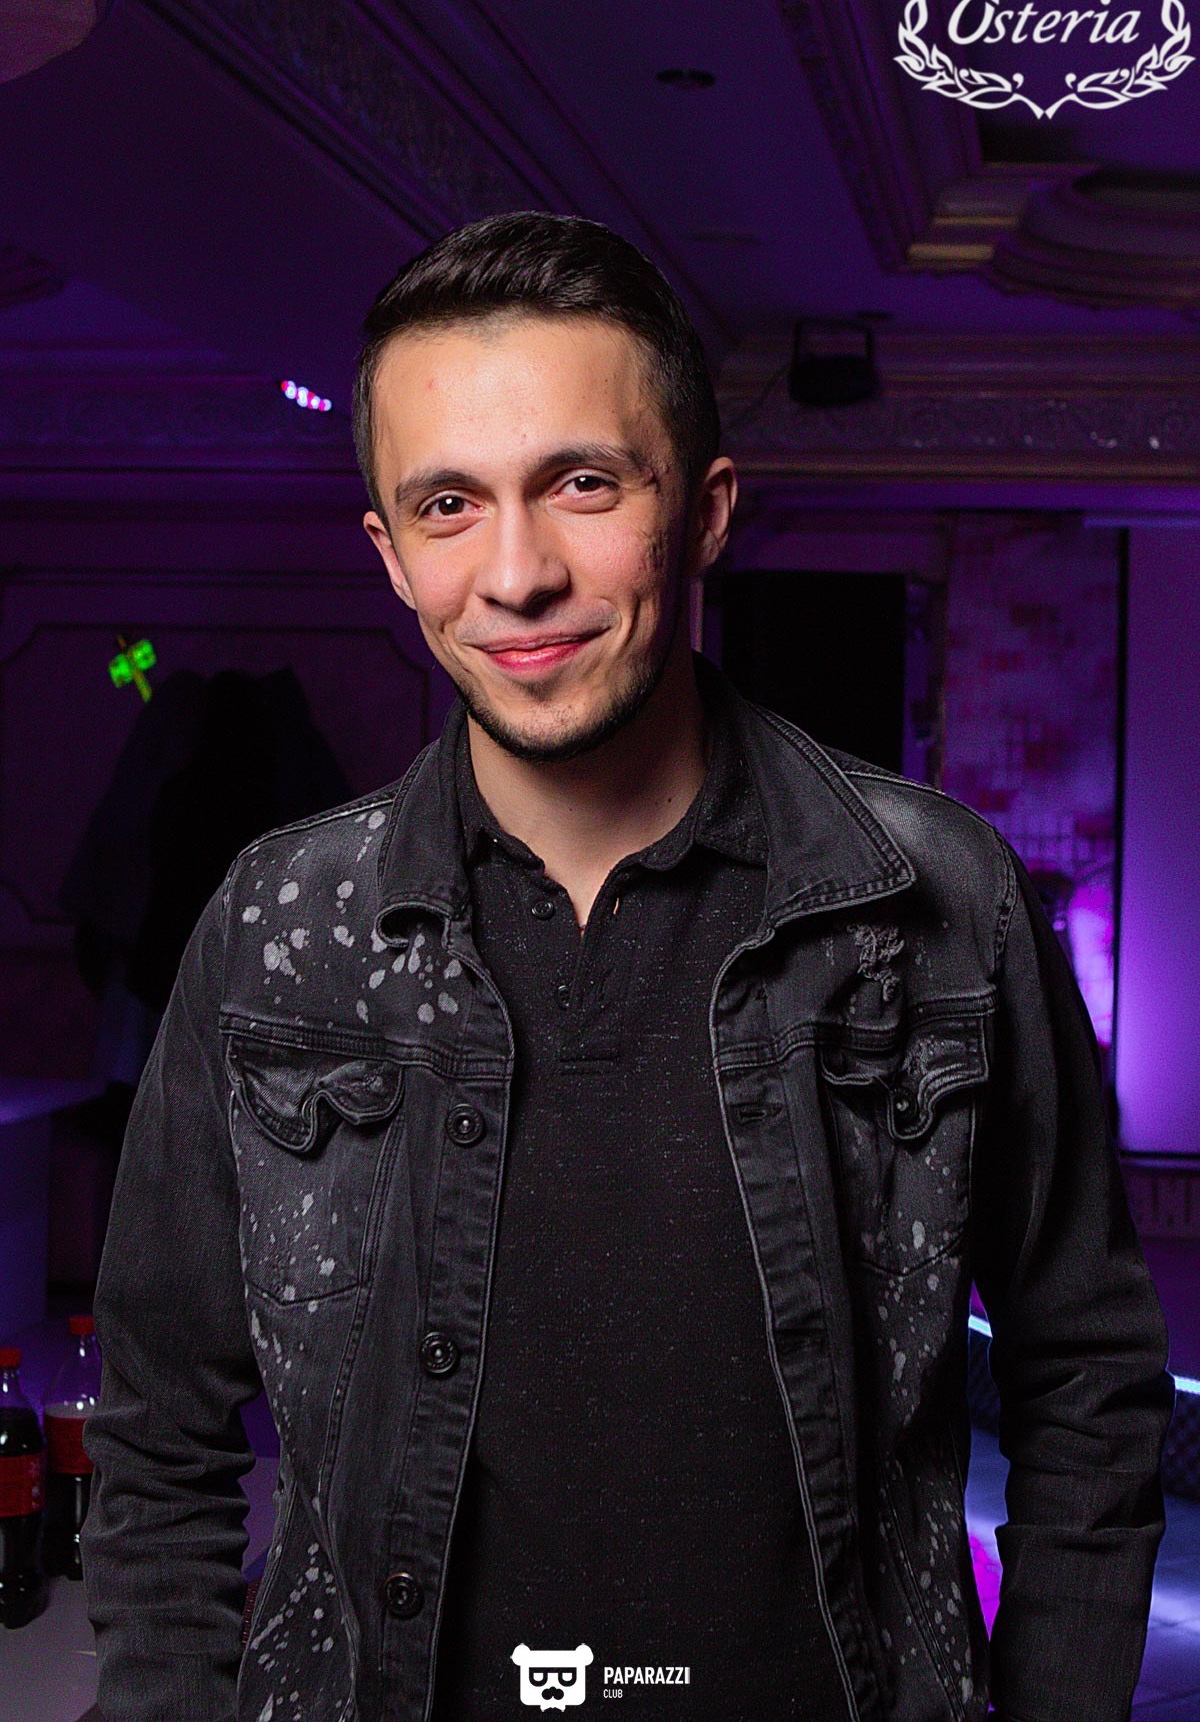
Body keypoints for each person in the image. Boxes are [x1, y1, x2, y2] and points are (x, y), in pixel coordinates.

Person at [82, 211, 1172, 1722]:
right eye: (449, 504)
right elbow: (158, 1427)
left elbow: (1088, 1383)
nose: (517, 574)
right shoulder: (280, 926)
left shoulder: (941, 896)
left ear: (705, 511)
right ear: (390, 557)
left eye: (582, 484)